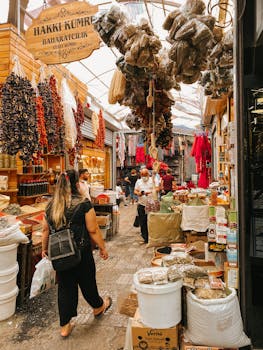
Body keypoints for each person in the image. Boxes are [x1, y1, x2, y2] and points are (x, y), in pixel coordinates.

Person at [41, 170, 112, 338]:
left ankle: (65, 326)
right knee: (87, 282)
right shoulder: (83, 203)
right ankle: (98, 307)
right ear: (77, 184)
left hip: (60, 253)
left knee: (65, 287)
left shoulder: (51, 205)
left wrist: (45, 249)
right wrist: (102, 247)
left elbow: (45, 230)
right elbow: (93, 230)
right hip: (81, 252)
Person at [134, 168, 160, 244]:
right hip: (142, 204)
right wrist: (139, 193)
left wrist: (151, 191)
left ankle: (153, 236)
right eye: (142, 175)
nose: (144, 176)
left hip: (152, 204)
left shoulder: (153, 180)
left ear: (148, 174)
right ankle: (145, 237)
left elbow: (158, 188)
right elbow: (135, 191)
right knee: (143, 221)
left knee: (152, 221)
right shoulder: (138, 181)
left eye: (145, 175)